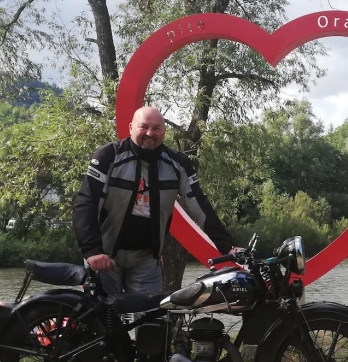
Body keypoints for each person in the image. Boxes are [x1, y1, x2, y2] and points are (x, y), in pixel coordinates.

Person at [73, 105, 237, 295]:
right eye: (143, 127)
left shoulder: (178, 163)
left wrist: (228, 246)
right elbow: (86, 203)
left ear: (164, 132)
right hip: (105, 255)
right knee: (102, 312)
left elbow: (199, 205)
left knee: (150, 313)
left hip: (146, 260)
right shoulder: (108, 155)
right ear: (131, 128)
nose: (150, 133)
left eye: (156, 128)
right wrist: (92, 251)